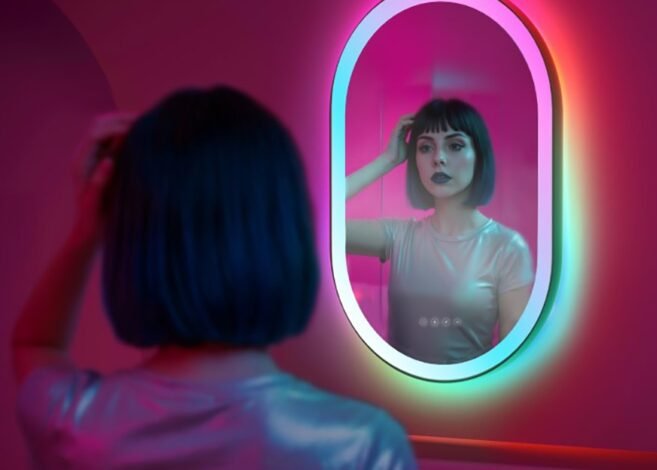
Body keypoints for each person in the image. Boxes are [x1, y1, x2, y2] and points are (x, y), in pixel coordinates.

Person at [12, 86, 416, 469]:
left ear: (132, 245)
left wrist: (87, 229)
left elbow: (35, 345)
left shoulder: (73, 425)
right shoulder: (362, 445)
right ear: (285, 236)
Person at [346, 98, 534, 364]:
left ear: (479, 155)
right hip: (395, 394)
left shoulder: (507, 247)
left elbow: (513, 360)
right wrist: (389, 159)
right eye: (425, 148)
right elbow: (312, 220)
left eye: (455, 146)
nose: (439, 159)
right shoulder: (399, 236)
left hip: (473, 399)